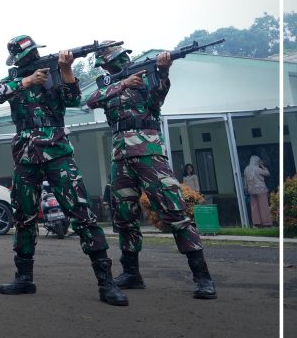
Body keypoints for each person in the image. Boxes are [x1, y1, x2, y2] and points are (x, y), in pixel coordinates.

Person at [0, 35, 127, 306]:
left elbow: (74, 100)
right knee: (24, 217)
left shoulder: (55, 72)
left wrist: (66, 70)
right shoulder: (13, 79)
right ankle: (24, 278)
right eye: (29, 55)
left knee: (82, 214)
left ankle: (106, 283)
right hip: (26, 154)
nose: (33, 58)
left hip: (57, 151)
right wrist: (28, 81)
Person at [86, 43, 216, 299]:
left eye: (117, 60)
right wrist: (123, 84)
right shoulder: (110, 85)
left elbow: (157, 101)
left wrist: (163, 72)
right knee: (124, 216)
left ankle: (203, 277)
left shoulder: (147, 77)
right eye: (110, 63)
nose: (115, 65)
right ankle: (131, 273)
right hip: (121, 155)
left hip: (149, 152)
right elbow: (91, 100)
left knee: (174, 211)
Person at [244, 155, 273, 227]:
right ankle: (267, 223)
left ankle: (257, 222)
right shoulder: (257, 169)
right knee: (263, 206)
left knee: (254, 207)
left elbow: (245, 180)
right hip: (261, 189)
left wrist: (246, 188)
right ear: (257, 161)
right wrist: (262, 166)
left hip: (251, 190)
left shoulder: (246, 169)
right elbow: (267, 173)